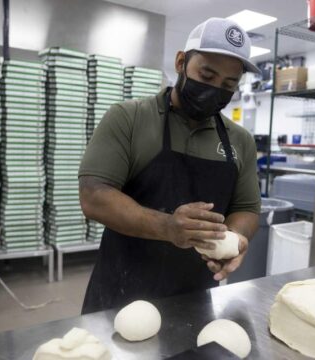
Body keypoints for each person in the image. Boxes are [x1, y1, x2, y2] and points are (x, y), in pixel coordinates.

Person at [78, 17, 261, 314]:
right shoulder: (130, 118)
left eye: (228, 84)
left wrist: (236, 238)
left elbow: (248, 209)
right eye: (207, 74)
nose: (215, 89)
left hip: (197, 298)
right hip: (120, 294)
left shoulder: (240, 141)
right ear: (180, 62)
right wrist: (167, 227)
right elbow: (93, 195)